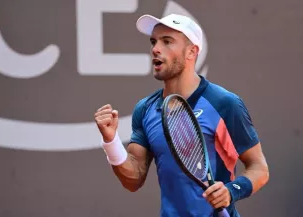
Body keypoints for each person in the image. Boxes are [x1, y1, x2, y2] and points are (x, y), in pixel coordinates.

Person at [94, 13, 269, 217]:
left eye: (167, 41)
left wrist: (231, 191)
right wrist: (110, 141)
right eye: (154, 42)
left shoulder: (224, 104)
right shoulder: (145, 109)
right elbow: (133, 180)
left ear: (191, 52)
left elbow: (259, 168)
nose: (155, 49)